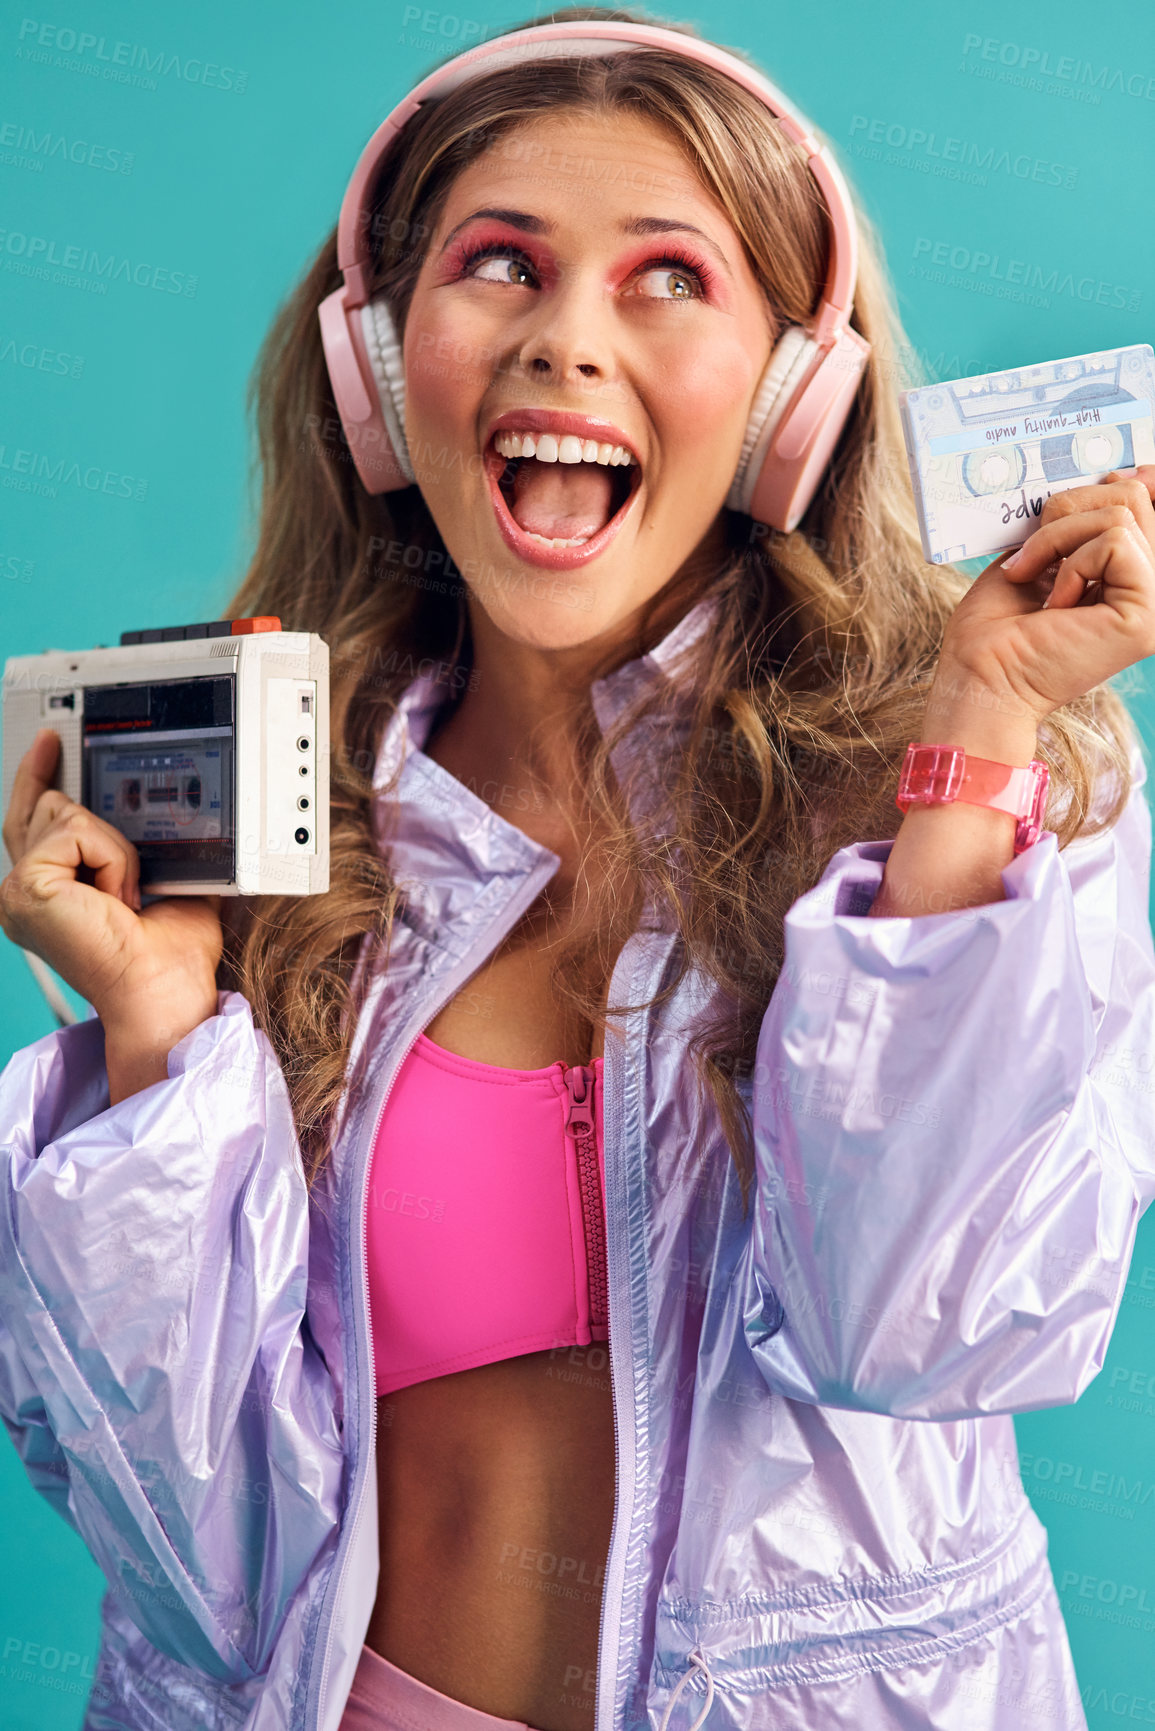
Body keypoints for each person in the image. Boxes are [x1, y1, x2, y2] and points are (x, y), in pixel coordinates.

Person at [1, 9, 1154, 1730]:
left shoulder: (981, 798)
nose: (566, 343)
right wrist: (166, 1036)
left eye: (668, 278)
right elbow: (190, 1544)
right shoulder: (253, 828)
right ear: (382, 374)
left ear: (792, 401)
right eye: (498, 266)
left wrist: (972, 737)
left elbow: (927, 1329)